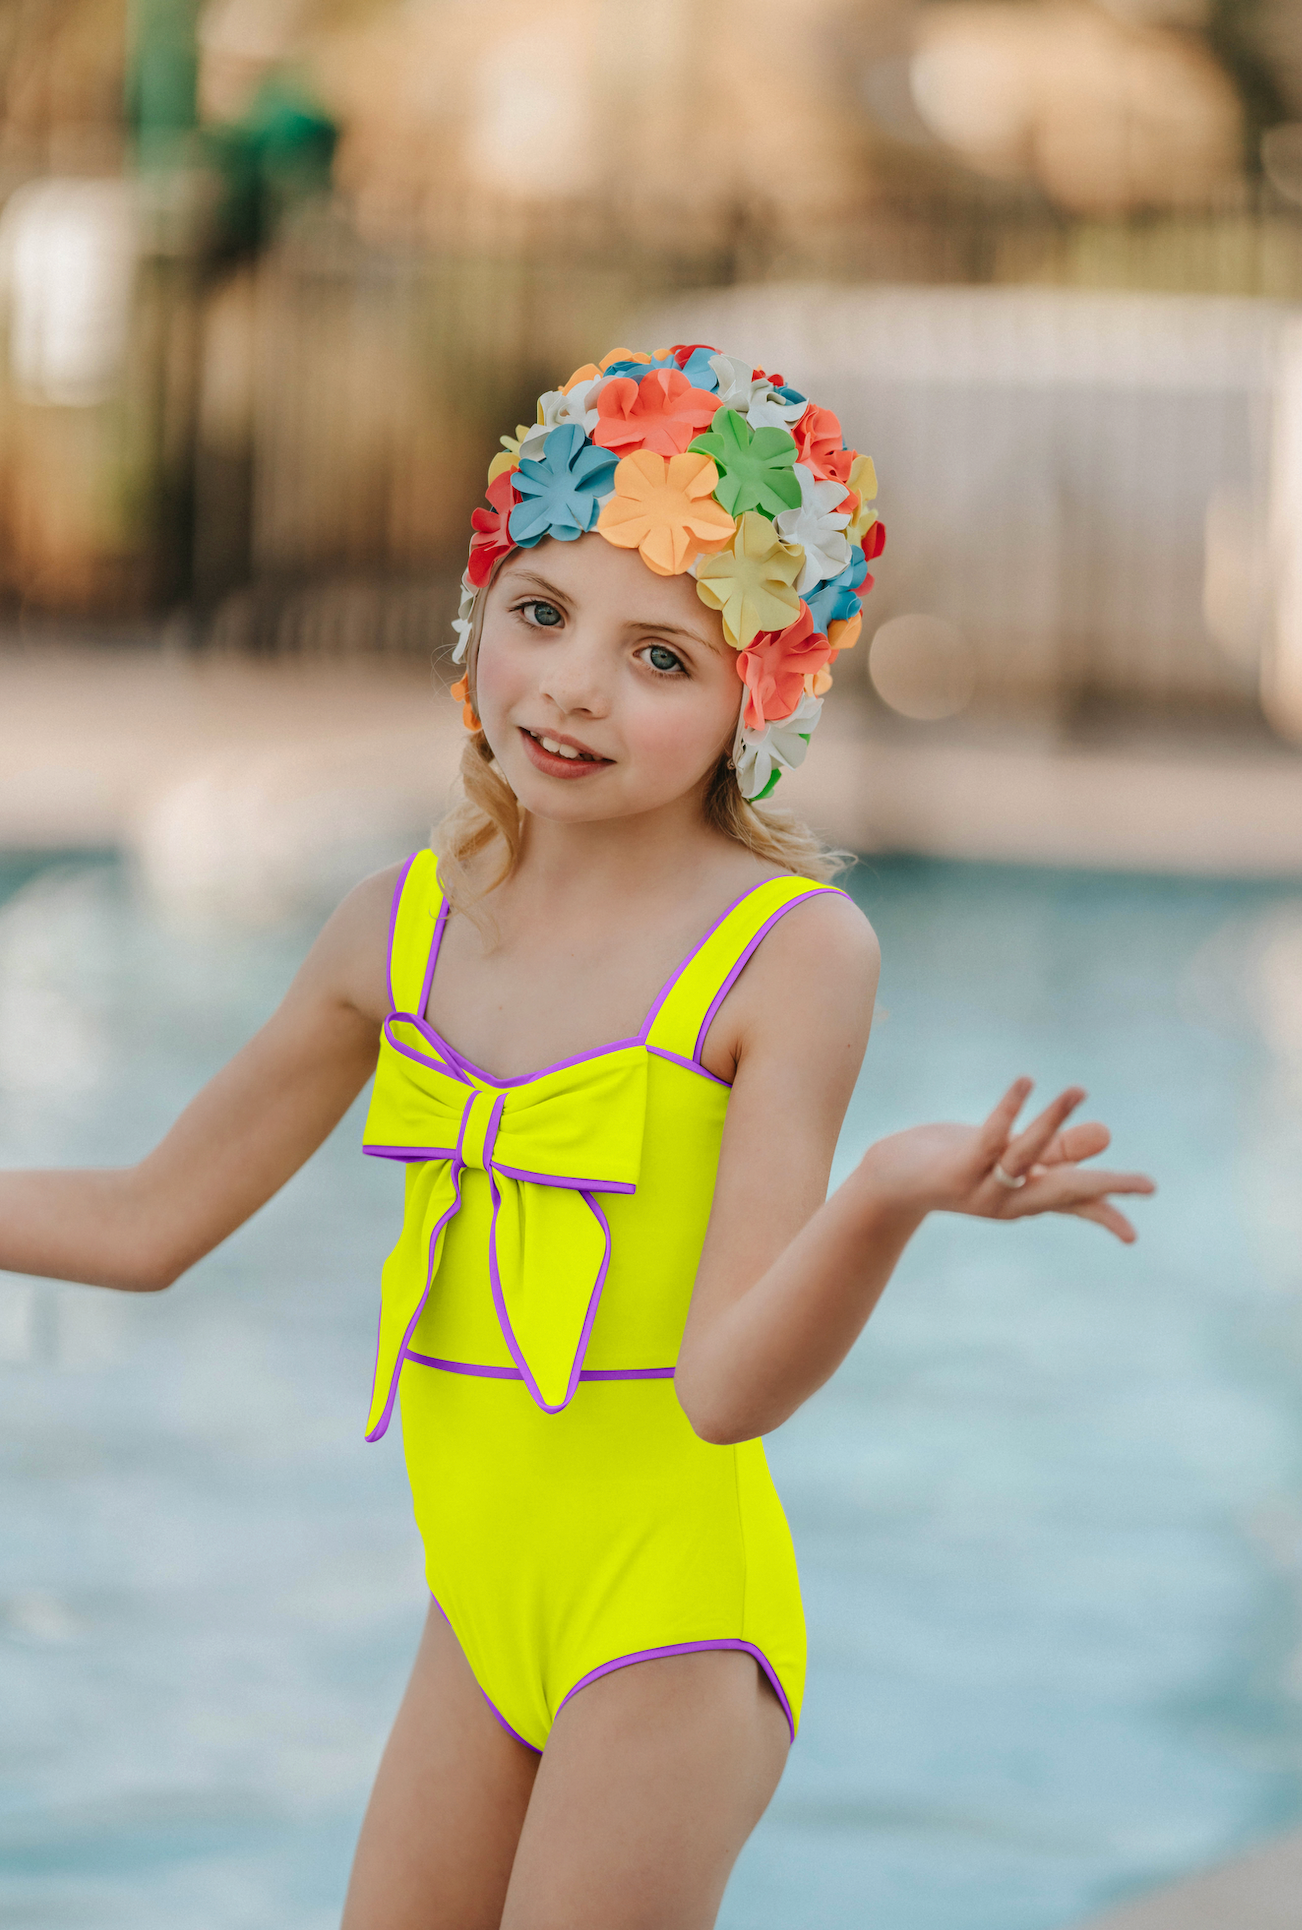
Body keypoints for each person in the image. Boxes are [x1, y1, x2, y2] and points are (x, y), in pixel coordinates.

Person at [0, 345, 1154, 1930]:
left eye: (661, 656)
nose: (571, 688)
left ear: (758, 698)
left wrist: (887, 1190)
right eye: (540, 613)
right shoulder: (394, 928)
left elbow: (724, 1390)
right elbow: (146, 1222)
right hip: (477, 1613)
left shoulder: (786, 952)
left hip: (670, 1625)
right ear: (479, 607)